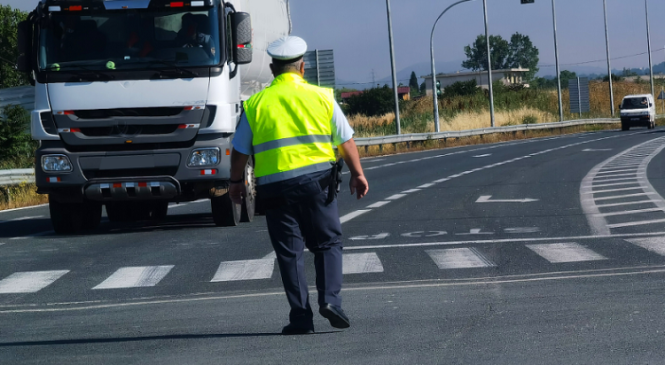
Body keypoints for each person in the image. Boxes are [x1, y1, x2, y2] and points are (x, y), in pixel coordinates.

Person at [229, 36, 369, 335]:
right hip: (317, 184)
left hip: (275, 188)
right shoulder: (321, 97)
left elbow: (240, 150)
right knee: (328, 243)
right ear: (302, 67)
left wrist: (235, 183)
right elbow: (345, 141)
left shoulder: (255, 104)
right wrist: (358, 174)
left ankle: (300, 317)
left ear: (271, 68)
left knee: (289, 253)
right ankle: (330, 301)